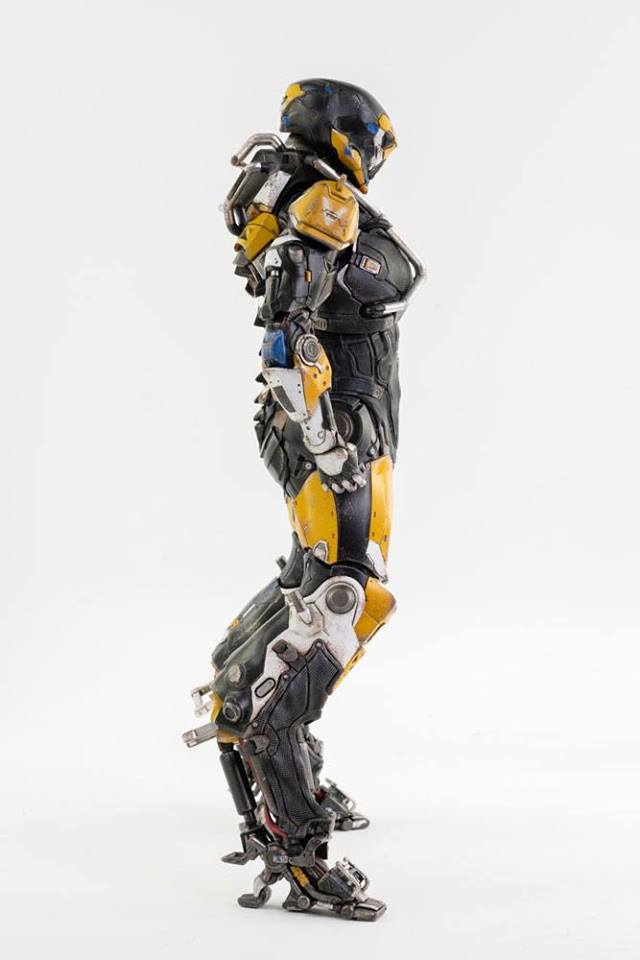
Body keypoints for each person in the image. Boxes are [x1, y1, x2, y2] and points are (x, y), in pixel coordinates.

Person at [183, 78, 424, 921]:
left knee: (320, 573)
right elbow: (287, 343)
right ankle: (295, 840)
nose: (377, 157)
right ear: (347, 136)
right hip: (334, 428)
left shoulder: (294, 189)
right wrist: (329, 445)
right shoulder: (321, 202)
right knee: (345, 594)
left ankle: (241, 704)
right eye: (373, 141)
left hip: (340, 422)